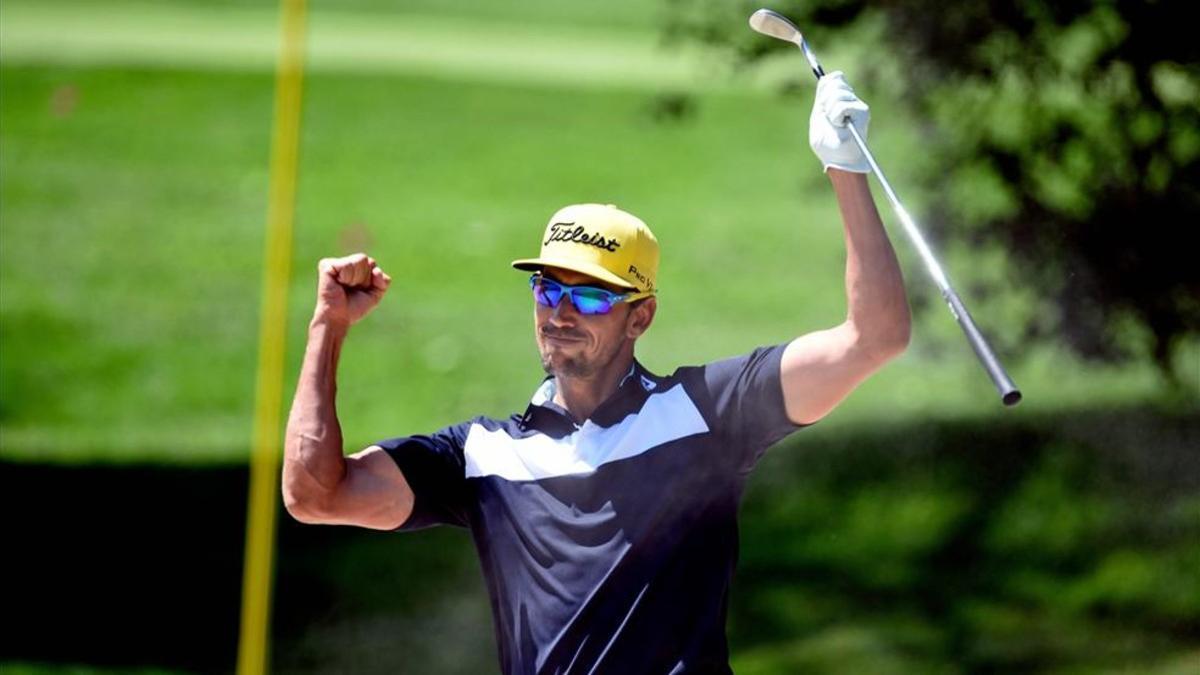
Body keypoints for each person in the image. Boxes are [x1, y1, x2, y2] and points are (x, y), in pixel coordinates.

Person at [282, 72, 910, 674]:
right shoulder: (482, 457)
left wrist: (845, 168)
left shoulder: (707, 413)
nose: (559, 312)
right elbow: (314, 496)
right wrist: (326, 329)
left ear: (641, 318)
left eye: (589, 298)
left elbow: (874, 337)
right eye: (547, 288)